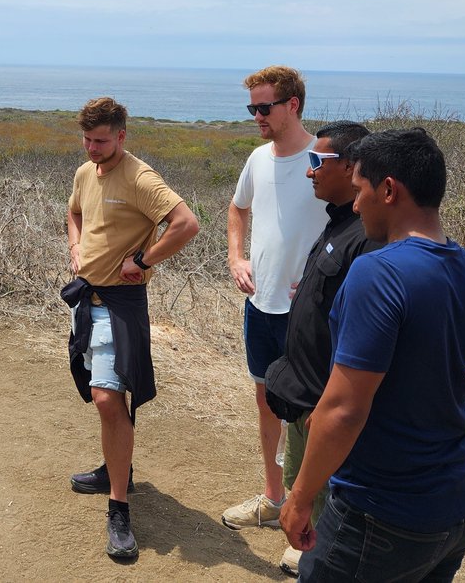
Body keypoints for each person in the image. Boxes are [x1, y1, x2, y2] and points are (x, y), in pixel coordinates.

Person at [279, 128, 465, 582]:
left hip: (383, 512)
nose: (357, 206)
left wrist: (300, 498)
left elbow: (344, 410)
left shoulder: (377, 272)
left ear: (389, 190)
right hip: (457, 505)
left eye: (360, 190)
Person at [62, 97, 200, 560]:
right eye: (87, 139)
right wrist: (76, 246)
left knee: (107, 397)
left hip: (120, 303)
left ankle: (118, 508)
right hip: (87, 299)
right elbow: (74, 213)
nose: (92, 148)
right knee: (109, 394)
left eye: (101, 141)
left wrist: (143, 259)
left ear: (122, 135)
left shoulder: (140, 177)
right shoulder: (86, 171)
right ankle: (113, 470)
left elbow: (186, 224)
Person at [262, 121, 381, 576]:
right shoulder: (339, 223)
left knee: (330, 514)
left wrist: (329, 402)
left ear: (351, 167)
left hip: (322, 405)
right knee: (302, 492)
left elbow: (365, 339)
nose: (309, 170)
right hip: (304, 396)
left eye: (318, 161)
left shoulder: (367, 237)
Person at [222, 66, 329, 532]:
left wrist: (324, 282)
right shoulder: (257, 158)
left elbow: (355, 226)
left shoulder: (323, 159)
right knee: (266, 401)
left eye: (264, 107)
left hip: (307, 313)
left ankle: (312, 518)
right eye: (252, 108)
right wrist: (236, 258)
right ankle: (273, 499)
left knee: (312, 414)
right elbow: (237, 207)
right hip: (260, 304)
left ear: (293, 105)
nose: (257, 117)